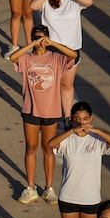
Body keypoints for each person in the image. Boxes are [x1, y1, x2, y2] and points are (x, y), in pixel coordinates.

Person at [9, 25, 77, 204]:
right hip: (30, 109)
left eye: (42, 38)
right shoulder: (27, 58)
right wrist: (31, 44)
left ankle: (49, 188)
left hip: (51, 110)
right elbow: (12, 57)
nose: (40, 43)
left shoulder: (56, 58)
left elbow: (73, 55)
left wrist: (52, 43)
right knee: (31, 147)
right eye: (36, 38)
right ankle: (30, 187)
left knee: (48, 148)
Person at [30, 0, 94, 123]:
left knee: (66, 85)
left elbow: (89, 2)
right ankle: (46, 115)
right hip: (51, 50)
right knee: (48, 86)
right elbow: (33, 6)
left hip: (70, 50)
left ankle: (66, 118)